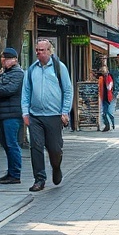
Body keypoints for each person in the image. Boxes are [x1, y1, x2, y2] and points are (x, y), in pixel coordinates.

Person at [21, 39, 73, 192]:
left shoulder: (59, 68)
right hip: (35, 115)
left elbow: (68, 90)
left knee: (54, 149)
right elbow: (26, 92)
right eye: (37, 50)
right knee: (35, 146)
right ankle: (39, 179)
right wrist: (25, 112)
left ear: (50, 51)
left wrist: (65, 111)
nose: (39, 52)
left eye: (42, 50)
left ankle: (56, 168)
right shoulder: (31, 70)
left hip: (54, 115)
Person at [0, 47, 25, 185]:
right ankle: (11, 172)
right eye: (3, 58)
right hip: (3, 113)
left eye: (7, 58)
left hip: (12, 114)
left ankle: (15, 174)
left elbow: (9, 90)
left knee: (11, 143)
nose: (4, 61)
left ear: (14, 60)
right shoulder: (3, 73)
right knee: (5, 143)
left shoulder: (18, 73)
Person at [98, 67, 115, 132]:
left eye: (104, 71)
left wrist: (106, 80)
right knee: (106, 111)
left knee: (104, 113)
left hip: (107, 97)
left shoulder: (109, 78)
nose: (103, 73)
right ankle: (111, 121)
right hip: (104, 97)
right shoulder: (102, 78)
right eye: (102, 72)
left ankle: (107, 125)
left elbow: (109, 87)